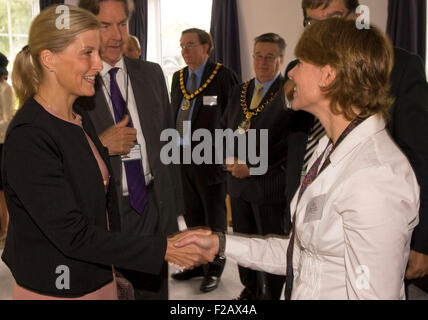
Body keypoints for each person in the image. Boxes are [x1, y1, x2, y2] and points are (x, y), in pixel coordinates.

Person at [176, 18, 420, 300]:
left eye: (301, 62)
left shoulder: (375, 178)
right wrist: (220, 243)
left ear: (328, 76)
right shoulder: (327, 148)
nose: (292, 72)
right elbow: (302, 254)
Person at [1, 4, 211, 300]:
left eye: (97, 52)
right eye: (87, 53)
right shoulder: (30, 135)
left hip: (99, 275)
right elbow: (72, 234)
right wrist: (162, 248)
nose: (99, 64)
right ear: (49, 59)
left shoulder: (74, 119)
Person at [283, 0, 428, 286]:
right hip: (307, 207)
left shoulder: (397, 67)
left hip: (373, 217)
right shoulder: (298, 71)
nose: (325, 30)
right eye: (314, 22)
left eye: (335, 18)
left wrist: (422, 241)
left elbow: (420, 155)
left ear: (357, 16)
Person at [77, 0, 182, 300]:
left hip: (150, 205)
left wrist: (174, 216)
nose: (116, 35)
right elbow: (60, 157)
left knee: (153, 293)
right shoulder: (74, 83)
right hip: (105, 213)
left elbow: (167, 147)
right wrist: (101, 145)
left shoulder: (151, 74)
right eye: (104, 25)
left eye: (122, 24)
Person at [170, 28, 239, 293]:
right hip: (182, 160)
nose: (185, 51)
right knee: (191, 216)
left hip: (211, 160)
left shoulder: (223, 77)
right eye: (182, 46)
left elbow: (235, 118)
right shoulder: (177, 78)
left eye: (190, 45)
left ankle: (215, 266)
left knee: (214, 217)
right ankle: (198, 262)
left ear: (206, 47)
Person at [222, 33, 290, 300]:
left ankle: (273, 295)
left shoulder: (288, 93)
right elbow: (226, 128)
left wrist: (253, 168)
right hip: (238, 188)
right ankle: (250, 291)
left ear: (280, 60)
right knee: (243, 245)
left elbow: (288, 146)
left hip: (268, 188)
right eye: (258, 55)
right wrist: (227, 157)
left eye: (269, 57)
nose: (262, 62)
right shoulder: (240, 90)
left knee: (270, 248)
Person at [0, 52, 14, 248]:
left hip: (2, 143)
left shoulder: (6, 89)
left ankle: (6, 230)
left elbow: (7, 120)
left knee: (3, 189)